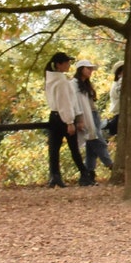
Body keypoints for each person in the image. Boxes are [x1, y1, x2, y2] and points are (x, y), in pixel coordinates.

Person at [42, 52, 78, 188]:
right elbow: (65, 102)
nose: (69, 65)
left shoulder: (49, 79)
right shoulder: (61, 81)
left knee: (54, 148)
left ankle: (54, 175)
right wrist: (69, 121)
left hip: (54, 115)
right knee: (73, 147)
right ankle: (85, 173)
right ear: (59, 64)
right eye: (67, 62)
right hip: (63, 116)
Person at [71, 59, 110, 185]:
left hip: (93, 114)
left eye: (91, 69)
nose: (90, 71)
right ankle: (110, 164)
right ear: (80, 69)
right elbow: (75, 103)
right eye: (88, 68)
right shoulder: (74, 84)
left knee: (91, 146)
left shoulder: (86, 84)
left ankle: (88, 175)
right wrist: (79, 119)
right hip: (84, 116)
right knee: (98, 141)